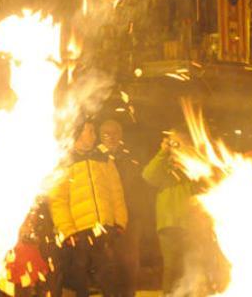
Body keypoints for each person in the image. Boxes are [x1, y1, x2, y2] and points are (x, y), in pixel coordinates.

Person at [142, 130, 227, 296]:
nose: (177, 146)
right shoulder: (164, 165)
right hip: (170, 224)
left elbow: (212, 183)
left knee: (195, 266)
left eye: (180, 142)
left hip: (194, 225)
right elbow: (148, 176)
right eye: (173, 142)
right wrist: (164, 152)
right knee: (172, 268)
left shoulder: (195, 165)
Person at [48, 120, 127, 297]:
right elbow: (57, 200)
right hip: (78, 233)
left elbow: (116, 192)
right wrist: (68, 231)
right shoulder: (64, 163)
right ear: (77, 134)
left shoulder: (103, 159)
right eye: (89, 131)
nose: (94, 135)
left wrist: (120, 222)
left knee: (109, 279)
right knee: (79, 282)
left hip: (104, 228)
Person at [97, 119, 145, 297]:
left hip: (130, 219)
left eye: (115, 133)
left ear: (121, 135)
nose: (111, 137)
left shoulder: (130, 157)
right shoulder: (95, 158)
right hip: (106, 219)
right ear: (100, 136)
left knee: (129, 264)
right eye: (106, 134)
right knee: (107, 265)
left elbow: (139, 186)